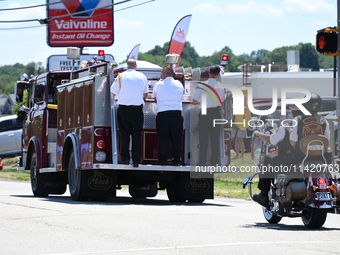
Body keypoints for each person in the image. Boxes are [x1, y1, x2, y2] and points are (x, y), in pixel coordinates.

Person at [252, 111, 301, 208]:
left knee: (267, 158)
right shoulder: (320, 122)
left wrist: (259, 134)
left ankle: (264, 194)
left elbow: (271, 140)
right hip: (310, 158)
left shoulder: (286, 128)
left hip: (291, 159)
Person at [111, 59, 148, 167]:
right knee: (137, 135)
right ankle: (136, 160)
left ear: (127, 66)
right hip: (137, 109)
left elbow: (113, 92)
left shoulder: (120, 76)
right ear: (135, 66)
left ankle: (125, 158)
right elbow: (145, 94)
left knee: (124, 134)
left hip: (123, 109)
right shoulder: (142, 76)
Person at [192, 65, 226, 166]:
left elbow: (195, 99)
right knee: (215, 138)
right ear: (218, 74)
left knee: (203, 138)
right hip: (216, 112)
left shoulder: (202, 85)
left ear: (209, 73)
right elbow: (222, 99)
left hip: (204, 113)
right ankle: (214, 161)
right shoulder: (221, 86)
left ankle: (202, 161)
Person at [152, 66, 184, 166]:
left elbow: (154, 97)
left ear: (166, 73)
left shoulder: (159, 84)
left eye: (162, 72)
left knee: (163, 138)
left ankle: (163, 160)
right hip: (176, 114)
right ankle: (176, 160)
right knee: (176, 139)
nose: (161, 74)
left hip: (163, 114)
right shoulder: (179, 84)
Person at [290, 92, 331, 164]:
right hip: (321, 157)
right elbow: (326, 141)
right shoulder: (324, 121)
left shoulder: (297, 120)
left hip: (301, 157)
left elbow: (293, 142)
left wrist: (290, 131)